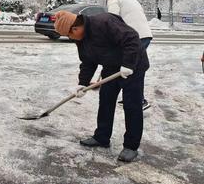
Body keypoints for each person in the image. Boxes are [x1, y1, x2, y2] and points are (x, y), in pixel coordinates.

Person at [54, 10, 149, 163]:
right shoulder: (81, 39)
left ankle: (131, 146)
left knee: (132, 105)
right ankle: (102, 137)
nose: (71, 39)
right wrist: (82, 83)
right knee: (106, 100)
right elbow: (87, 61)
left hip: (133, 66)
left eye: (69, 35)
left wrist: (128, 64)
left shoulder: (104, 22)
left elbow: (132, 39)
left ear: (75, 28)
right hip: (111, 67)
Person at [106, 0, 153, 110]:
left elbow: (112, 20)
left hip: (133, 39)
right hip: (145, 35)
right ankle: (132, 97)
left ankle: (139, 100)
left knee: (131, 67)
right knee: (134, 66)